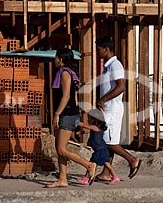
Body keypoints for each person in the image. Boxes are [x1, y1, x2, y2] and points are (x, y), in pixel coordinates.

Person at [45, 48, 97, 188]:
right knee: (59, 148)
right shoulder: (71, 73)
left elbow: (67, 95)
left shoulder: (65, 73)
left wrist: (57, 113)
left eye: (56, 57)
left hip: (66, 114)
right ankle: (63, 179)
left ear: (61, 59)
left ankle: (89, 165)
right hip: (70, 112)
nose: (54, 60)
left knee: (62, 149)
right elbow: (74, 96)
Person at [96, 36, 142, 181]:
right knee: (109, 139)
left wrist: (103, 99)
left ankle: (132, 159)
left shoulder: (115, 65)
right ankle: (106, 173)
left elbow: (121, 86)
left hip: (112, 109)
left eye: (99, 50)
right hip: (108, 108)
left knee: (107, 141)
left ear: (106, 49)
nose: (98, 53)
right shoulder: (108, 66)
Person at [76, 108, 120, 185]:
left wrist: (74, 121)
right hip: (100, 149)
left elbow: (84, 125)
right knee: (100, 164)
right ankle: (114, 177)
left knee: (93, 164)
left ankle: (86, 178)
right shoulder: (98, 127)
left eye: (89, 118)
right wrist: (81, 132)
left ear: (94, 119)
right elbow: (88, 130)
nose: (88, 120)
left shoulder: (94, 127)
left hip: (100, 150)